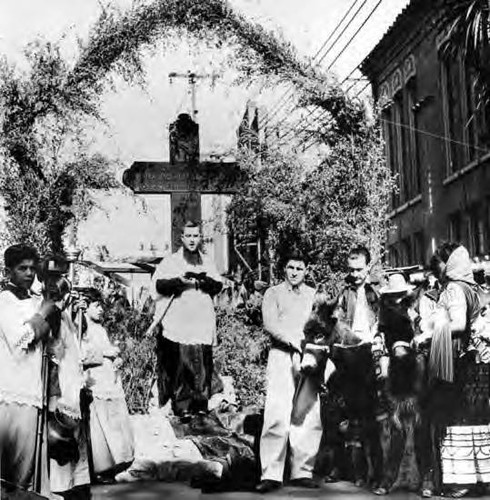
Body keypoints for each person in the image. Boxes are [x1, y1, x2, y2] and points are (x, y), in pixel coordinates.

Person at [421, 243, 490, 498]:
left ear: (447, 263)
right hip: (475, 360)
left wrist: (430, 333)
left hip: (453, 357)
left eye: (437, 264)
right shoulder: (473, 288)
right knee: (475, 416)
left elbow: (458, 324)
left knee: (450, 416)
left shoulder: (453, 287)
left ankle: (459, 480)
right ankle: (479, 476)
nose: (436, 270)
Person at [256, 251, 319, 493]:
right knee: (276, 412)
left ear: (307, 270)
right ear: (284, 269)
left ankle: (302, 471)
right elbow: (270, 324)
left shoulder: (313, 295)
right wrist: (293, 342)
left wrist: (309, 350)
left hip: (308, 358)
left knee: (308, 413)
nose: (294, 272)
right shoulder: (273, 293)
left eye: (299, 268)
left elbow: (319, 324)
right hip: (281, 356)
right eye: (290, 267)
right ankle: (271, 473)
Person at [0, 244, 57, 495]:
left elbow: (50, 337)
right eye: (22, 268)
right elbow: (20, 340)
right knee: (9, 465)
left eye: (32, 268)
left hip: (35, 387)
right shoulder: (4, 300)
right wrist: (43, 313)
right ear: (8, 270)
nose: (28, 273)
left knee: (29, 463)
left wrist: (48, 310)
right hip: (12, 388)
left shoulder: (36, 300)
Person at [151, 221, 223, 416]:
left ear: (200, 238)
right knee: (183, 365)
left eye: (195, 236)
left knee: (202, 364)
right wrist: (179, 282)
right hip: (180, 324)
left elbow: (218, 285)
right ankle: (182, 407)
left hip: (201, 322)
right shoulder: (170, 262)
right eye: (188, 236)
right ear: (182, 238)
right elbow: (158, 286)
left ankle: (201, 405)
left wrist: (204, 280)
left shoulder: (208, 261)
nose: (192, 240)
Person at [327, 246, 382, 487]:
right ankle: (343, 467)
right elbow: (336, 320)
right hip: (347, 352)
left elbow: (384, 318)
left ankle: (374, 472)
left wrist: (378, 339)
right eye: (351, 269)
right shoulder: (345, 291)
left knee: (369, 414)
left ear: (368, 267)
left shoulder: (376, 290)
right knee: (341, 412)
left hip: (369, 352)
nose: (355, 274)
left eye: (359, 269)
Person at [80, 288, 134, 482]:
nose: (101, 309)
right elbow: (82, 353)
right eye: (96, 305)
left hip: (108, 380)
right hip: (94, 380)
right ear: (85, 307)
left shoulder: (100, 328)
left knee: (112, 421)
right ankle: (100, 467)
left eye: (102, 305)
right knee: (98, 426)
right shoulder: (81, 326)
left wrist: (114, 358)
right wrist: (105, 354)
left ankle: (117, 462)